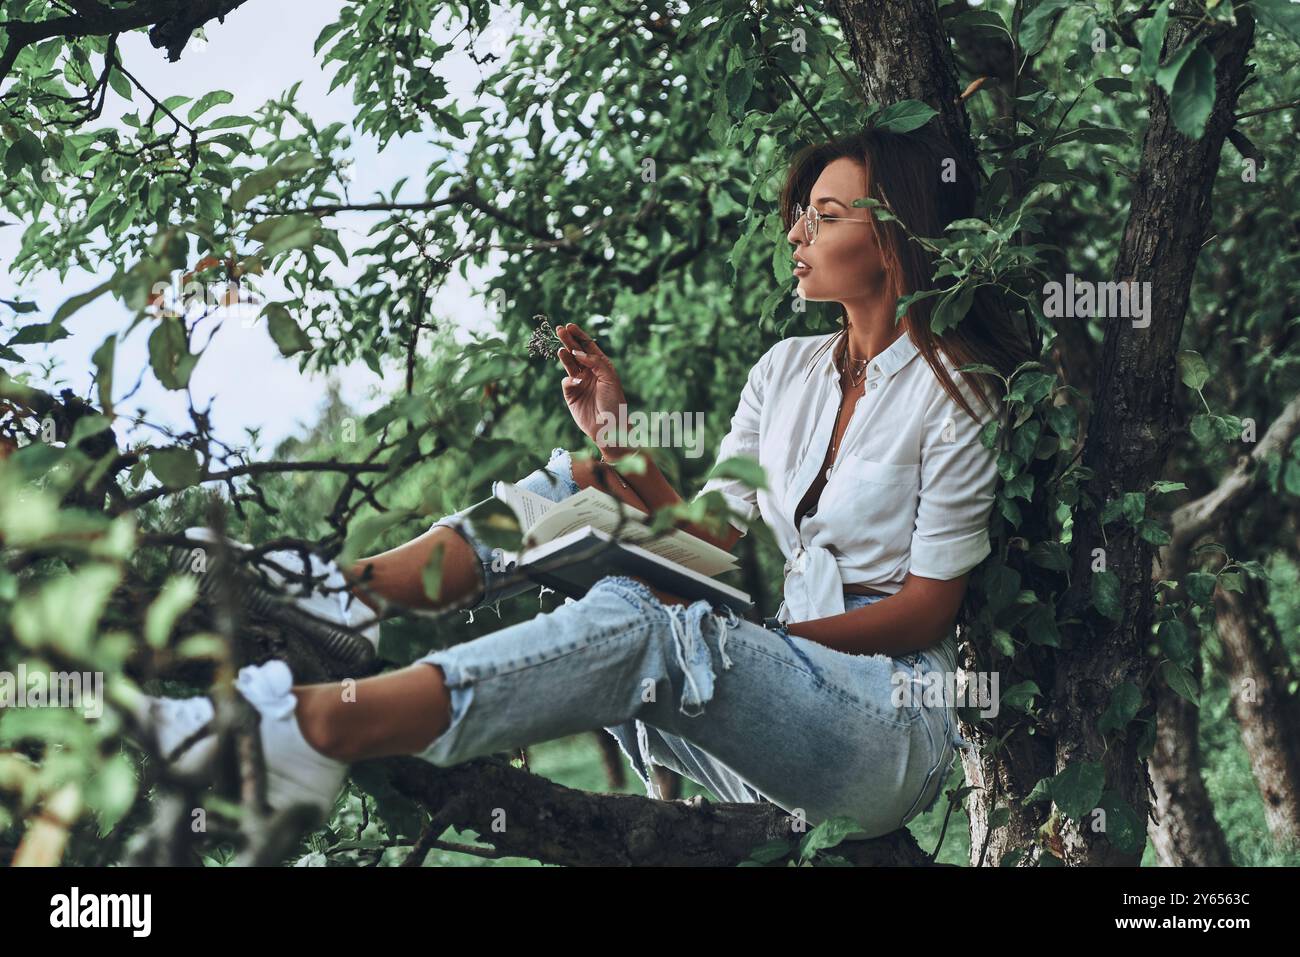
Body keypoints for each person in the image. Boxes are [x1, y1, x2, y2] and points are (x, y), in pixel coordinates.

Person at [130, 126, 1037, 840]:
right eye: (800, 212)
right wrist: (615, 439)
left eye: (826, 215)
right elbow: (709, 536)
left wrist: (773, 638)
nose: (796, 232)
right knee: (578, 481)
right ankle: (343, 595)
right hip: (783, 696)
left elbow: (927, 608)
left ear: (892, 238)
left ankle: (306, 727)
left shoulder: (956, 390)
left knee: (646, 622)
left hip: (888, 720)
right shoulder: (785, 372)